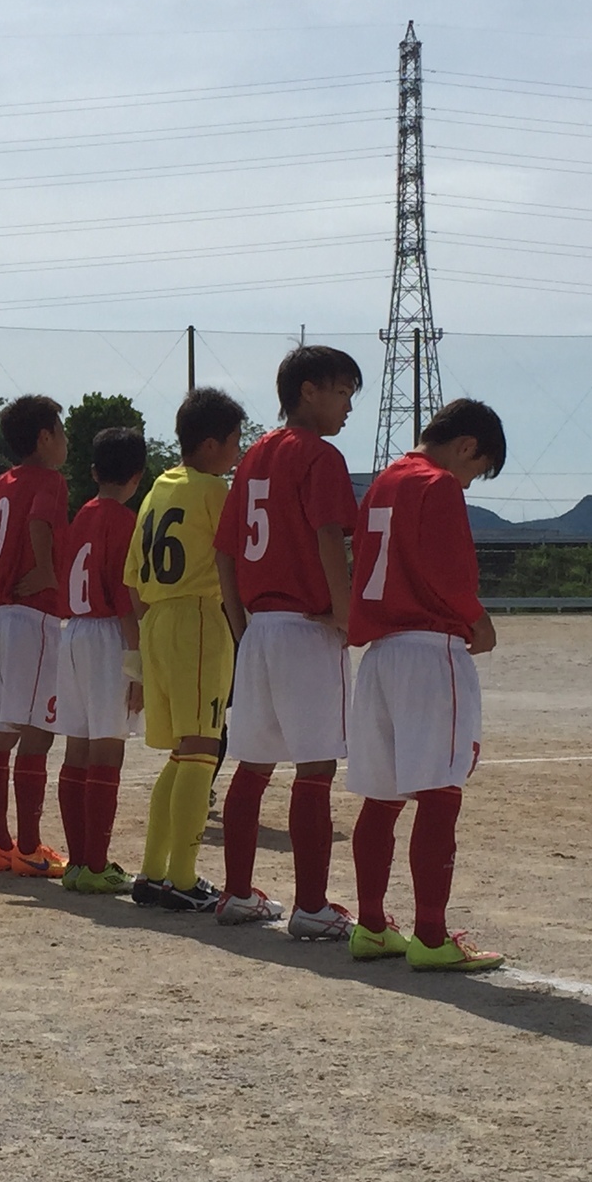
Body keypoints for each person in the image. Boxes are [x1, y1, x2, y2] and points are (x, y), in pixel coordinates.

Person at [345, 398, 508, 972]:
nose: (469, 481)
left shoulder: (381, 484)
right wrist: (477, 618)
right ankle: (432, 937)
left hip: (381, 653)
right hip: (430, 652)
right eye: (477, 469)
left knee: (383, 797)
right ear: (467, 446)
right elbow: (449, 571)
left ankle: (370, 926)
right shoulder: (438, 485)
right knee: (440, 793)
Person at [212, 345, 364, 935]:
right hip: (305, 627)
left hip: (259, 629)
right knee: (315, 767)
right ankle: (312, 906)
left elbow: (225, 552)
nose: (348, 407)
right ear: (309, 391)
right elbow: (331, 538)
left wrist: (240, 624)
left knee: (252, 765)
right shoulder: (319, 456)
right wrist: (346, 613)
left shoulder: (252, 456)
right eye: (343, 392)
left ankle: (237, 894)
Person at [126, 388, 246, 912]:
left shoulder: (157, 489)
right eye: (237, 441)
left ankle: (154, 873)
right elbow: (234, 557)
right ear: (214, 443)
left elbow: (131, 578)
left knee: (183, 752)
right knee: (202, 750)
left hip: (157, 619)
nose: (240, 451)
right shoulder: (212, 490)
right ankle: (181, 877)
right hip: (198, 616)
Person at [0, 396, 70, 878]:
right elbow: (41, 521)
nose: (65, 440)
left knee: (1, 729)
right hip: (35, 618)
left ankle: (1, 845)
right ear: (45, 437)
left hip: (3, 618)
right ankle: (27, 846)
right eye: (61, 430)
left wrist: (2, 559)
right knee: (38, 731)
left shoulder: (3, 483)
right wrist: (44, 569)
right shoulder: (49, 480)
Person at [53, 426, 146, 894]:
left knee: (77, 747)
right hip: (110, 634)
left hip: (74, 633)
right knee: (109, 747)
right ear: (138, 475)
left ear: (93, 472)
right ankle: (96, 863)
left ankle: (77, 862)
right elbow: (127, 599)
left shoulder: (83, 514)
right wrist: (138, 669)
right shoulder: (123, 520)